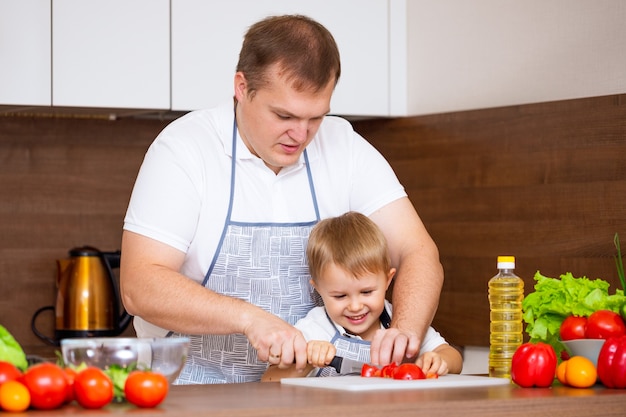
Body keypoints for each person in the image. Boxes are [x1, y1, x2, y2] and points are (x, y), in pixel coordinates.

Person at [120, 14, 443, 384]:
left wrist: (404, 331)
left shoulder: (345, 146)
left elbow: (418, 251)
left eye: (316, 117)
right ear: (242, 87)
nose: (301, 134)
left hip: (309, 398)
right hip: (191, 390)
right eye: (284, 115)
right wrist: (249, 318)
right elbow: (139, 284)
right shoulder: (184, 150)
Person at [262, 212, 461, 381]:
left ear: (388, 280)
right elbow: (269, 381)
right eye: (340, 296)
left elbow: (454, 357)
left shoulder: (398, 321)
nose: (356, 306)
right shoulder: (314, 329)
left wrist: (439, 361)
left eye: (366, 292)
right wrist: (305, 362)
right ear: (318, 289)